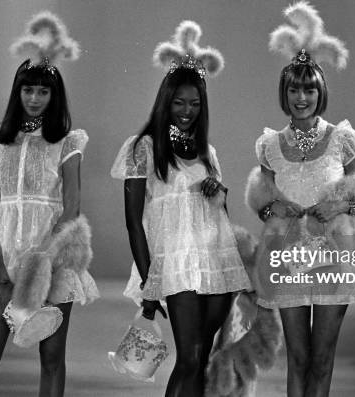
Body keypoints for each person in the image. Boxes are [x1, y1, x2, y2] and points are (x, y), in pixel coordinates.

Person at [245, 3, 355, 396]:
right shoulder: (270, 145)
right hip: (288, 254)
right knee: (299, 358)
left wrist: (340, 205)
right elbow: (262, 201)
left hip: (335, 254)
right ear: (284, 92)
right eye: (294, 88)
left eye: (309, 88)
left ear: (320, 90)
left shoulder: (342, 139)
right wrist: (275, 208)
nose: (301, 97)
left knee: (322, 359)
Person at [111, 21, 251, 396]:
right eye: (179, 102)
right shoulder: (143, 148)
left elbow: (220, 213)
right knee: (189, 357)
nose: (186, 111)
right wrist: (148, 283)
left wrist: (219, 191)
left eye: (194, 103)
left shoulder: (209, 153)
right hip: (174, 266)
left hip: (216, 262)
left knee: (200, 356)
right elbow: (133, 223)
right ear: (165, 101)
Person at [0, 12, 98, 397]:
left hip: (52, 257)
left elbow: (71, 202)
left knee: (52, 355)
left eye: (43, 91)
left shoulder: (68, 141)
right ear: (18, 92)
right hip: (5, 255)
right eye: (28, 90)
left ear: (54, 96)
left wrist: (47, 256)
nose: (35, 98)